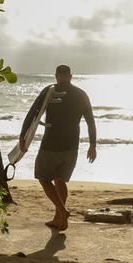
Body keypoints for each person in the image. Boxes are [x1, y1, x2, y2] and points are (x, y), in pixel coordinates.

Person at [19, 64, 96, 231]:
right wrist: (92, 145)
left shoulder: (50, 91)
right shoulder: (81, 94)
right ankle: (59, 219)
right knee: (60, 180)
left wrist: (22, 136)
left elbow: (32, 113)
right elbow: (90, 121)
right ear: (70, 76)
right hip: (72, 146)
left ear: (56, 76)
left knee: (43, 178)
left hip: (50, 145)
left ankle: (62, 210)